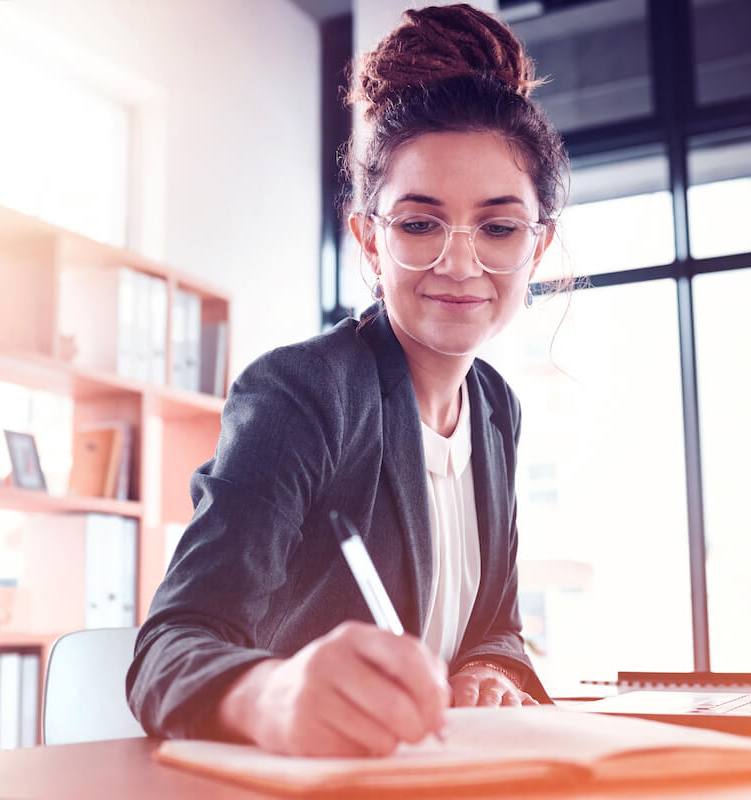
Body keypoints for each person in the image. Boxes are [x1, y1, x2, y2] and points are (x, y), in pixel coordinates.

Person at [126, 3, 569, 757]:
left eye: (497, 227)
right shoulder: (302, 393)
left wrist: (490, 670)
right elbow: (171, 642)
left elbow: (497, 624)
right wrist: (273, 694)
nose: (460, 264)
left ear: (539, 244)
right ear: (369, 239)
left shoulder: (495, 408)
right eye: (419, 224)